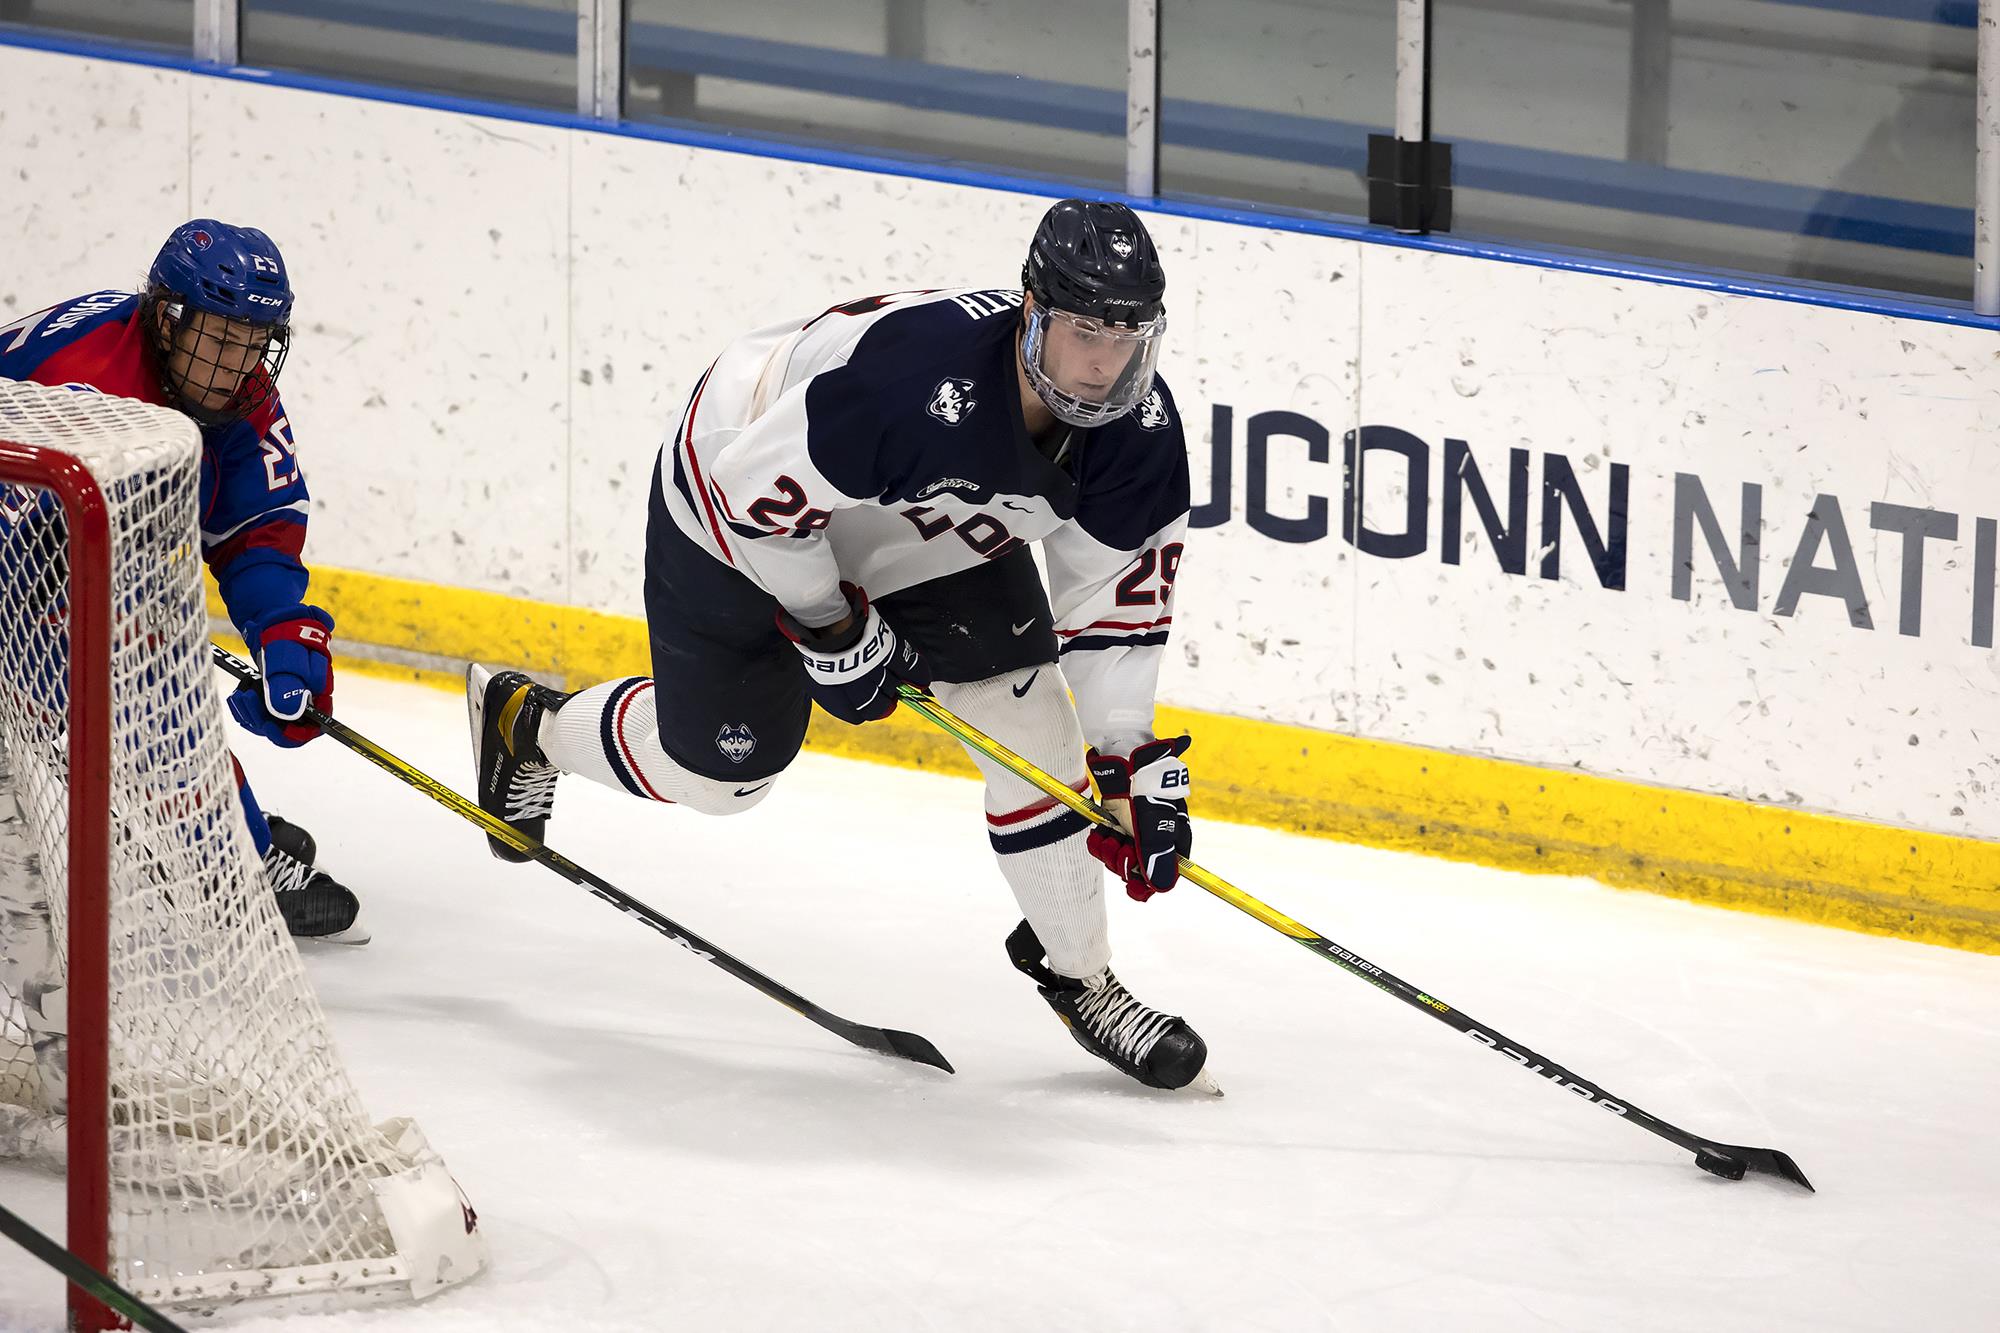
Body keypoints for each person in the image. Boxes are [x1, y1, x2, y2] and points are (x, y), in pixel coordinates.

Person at [470, 199, 1211, 1090]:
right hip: (732, 504)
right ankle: (530, 726)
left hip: (934, 523)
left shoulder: (1138, 434)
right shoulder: (914, 384)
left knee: (1035, 727)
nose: (1103, 363)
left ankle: (1080, 973)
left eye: (1127, 335)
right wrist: (833, 627)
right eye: (1084, 330)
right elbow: (754, 496)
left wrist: (1127, 763)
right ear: (1033, 312)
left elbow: (1112, 613)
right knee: (724, 776)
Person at [0, 219, 365, 947]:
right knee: (130, 701)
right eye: (221, 338)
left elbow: (255, 525)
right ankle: (235, 859)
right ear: (167, 319)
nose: (238, 364)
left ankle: (219, 827)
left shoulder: (236, 393)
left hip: (53, 555)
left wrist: (283, 631)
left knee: (140, 686)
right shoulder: (82, 378)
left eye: (254, 341)